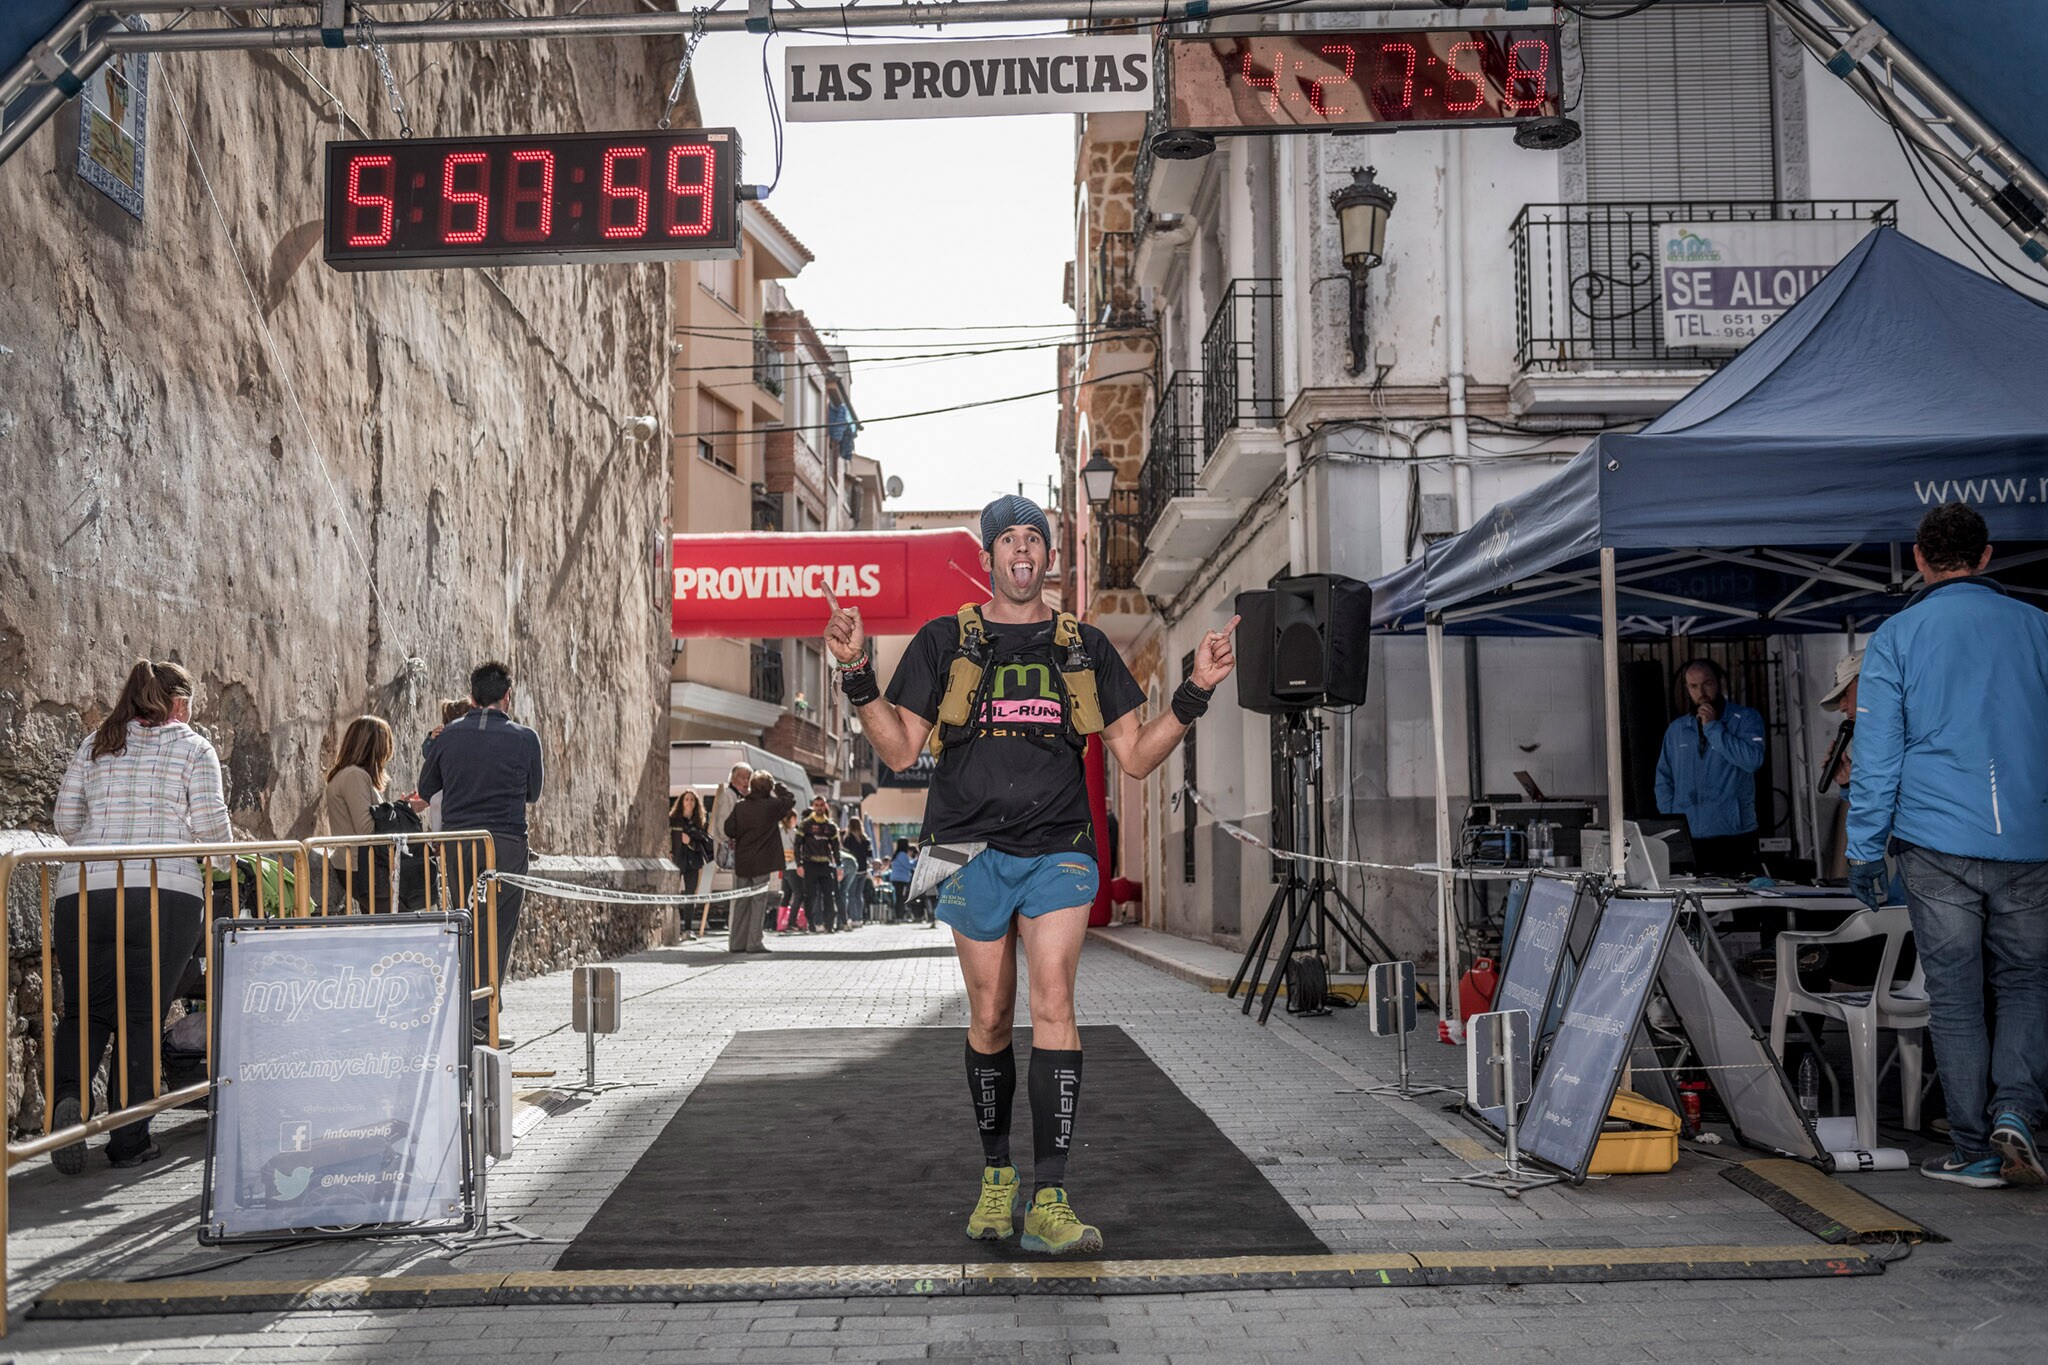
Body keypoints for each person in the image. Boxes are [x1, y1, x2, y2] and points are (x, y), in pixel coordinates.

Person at [823, 493, 1238, 1255]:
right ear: (989, 556)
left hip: (1059, 845)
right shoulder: (944, 639)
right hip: (964, 846)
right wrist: (855, 670)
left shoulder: (1083, 646)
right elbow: (896, 747)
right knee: (988, 1017)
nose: (1021, 549)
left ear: (1049, 556)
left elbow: (1138, 756)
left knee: (1053, 998)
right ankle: (996, 1177)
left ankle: (1050, 1194)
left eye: (1034, 538)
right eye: (1007, 539)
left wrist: (1196, 688)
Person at [1847, 504, 2048, 1189]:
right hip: (2029, 837)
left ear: (1919, 557)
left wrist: (1864, 851)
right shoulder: (2039, 628)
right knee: (2026, 978)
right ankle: (2017, 1108)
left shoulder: (1896, 637)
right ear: (1987, 555)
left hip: (1934, 840)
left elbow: (1876, 761)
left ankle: (1975, 1147)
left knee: (1957, 993)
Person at [49, 660, 232, 1173]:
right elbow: (214, 828)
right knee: (142, 1014)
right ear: (178, 703)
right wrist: (222, 858)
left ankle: (70, 1103)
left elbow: (65, 821)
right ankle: (128, 1142)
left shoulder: (96, 742)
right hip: (163, 891)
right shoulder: (193, 747)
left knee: (84, 1011)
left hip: (83, 888)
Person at [419, 661, 544, 1040]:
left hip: (460, 843)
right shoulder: (525, 738)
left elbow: (427, 789)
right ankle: (482, 1018)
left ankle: (474, 1014)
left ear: (472, 697)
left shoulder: (449, 736)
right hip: (504, 845)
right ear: (508, 696)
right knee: (499, 932)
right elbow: (533, 793)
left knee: (467, 923)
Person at [1653, 658, 1766, 877]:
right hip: (1688, 835)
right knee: (1691, 906)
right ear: (1687, 689)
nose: (1701, 692)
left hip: (1734, 833)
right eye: (1694, 686)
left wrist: (1714, 728)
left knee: (1738, 903)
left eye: (1707, 683)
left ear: (1720, 683)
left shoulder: (1746, 719)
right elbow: (1663, 778)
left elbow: (1752, 761)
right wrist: (1674, 817)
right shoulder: (1677, 729)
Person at [323, 715, 401, 908]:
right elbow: (366, 829)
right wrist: (397, 812)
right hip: (363, 869)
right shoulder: (355, 776)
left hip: (360, 867)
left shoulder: (351, 775)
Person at [723, 770, 795, 952]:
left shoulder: (740, 806)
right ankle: (754, 943)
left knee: (741, 902)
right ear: (769, 788)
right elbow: (789, 799)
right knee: (758, 902)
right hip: (762, 862)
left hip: (743, 861)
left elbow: (729, 829)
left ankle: (736, 943)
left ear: (752, 786)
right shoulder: (772, 806)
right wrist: (778, 785)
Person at [420, 698, 472, 833]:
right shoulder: (445, 737)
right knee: (436, 801)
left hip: (464, 782)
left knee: (436, 801)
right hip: (451, 784)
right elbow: (429, 755)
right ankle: (437, 838)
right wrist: (432, 739)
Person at [797, 796, 843, 932]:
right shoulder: (805, 824)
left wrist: (839, 866)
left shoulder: (831, 826)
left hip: (825, 865)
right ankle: (811, 924)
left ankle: (829, 925)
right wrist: (799, 864)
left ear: (825, 807)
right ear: (813, 806)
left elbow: (835, 848)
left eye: (821, 805)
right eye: (816, 805)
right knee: (810, 896)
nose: (819, 807)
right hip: (809, 864)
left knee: (828, 896)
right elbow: (797, 845)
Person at [669, 789, 711, 896]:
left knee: (690, 895)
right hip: (676, 861)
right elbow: (666, 838)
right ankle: (675, 913)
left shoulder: (700, 823)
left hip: (693, 864)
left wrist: (690, 842)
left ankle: (689, 913)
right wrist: (667, 851)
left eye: (692, 799)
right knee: (672, 892)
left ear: (696, 803)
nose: (689, 802)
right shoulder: (672, 820)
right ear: (682, 802)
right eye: (686, 799)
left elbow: (703, 845)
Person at [717, 762, 752, 876]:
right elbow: (722, 826)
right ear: (733, 779)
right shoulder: (728, 796)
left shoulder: (742, 797)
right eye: (743, 778)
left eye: (748, 778)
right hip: (732, 851)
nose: (746, 781)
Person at [889, 837, 916, 924]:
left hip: (897, 879)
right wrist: (917, 860)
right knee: (901, 898)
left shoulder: (898, 854)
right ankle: (899, 916)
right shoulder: (902, 854)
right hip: (901, 879)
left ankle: (899, 916)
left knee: (899, 898)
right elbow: (909, 866)